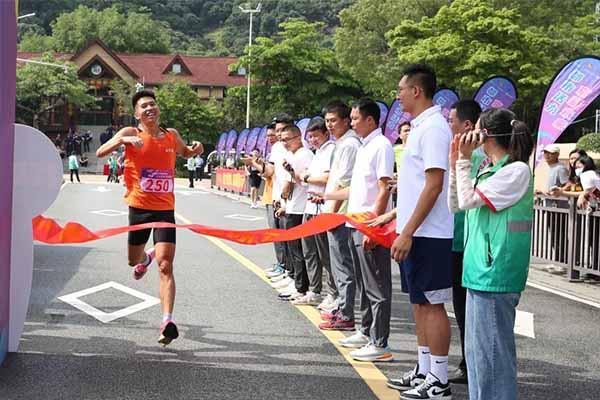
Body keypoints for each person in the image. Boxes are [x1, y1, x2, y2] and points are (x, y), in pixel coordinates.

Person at [96, 89, 203, 346]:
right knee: (133, 259)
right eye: (143, 106)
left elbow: (185, 152)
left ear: (158, 109)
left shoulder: (170, 135)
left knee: (166, 266)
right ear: (137, 114)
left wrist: (195, 149)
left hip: (165, 209)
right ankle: (146, 257)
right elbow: (101, 152)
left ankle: (167, 321)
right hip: (139, 208)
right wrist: (123, 142)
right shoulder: (130, 133)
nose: (149, 109)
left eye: (152, 104)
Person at [448, 108, 534, 400]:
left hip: (496, 272)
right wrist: (457, 161)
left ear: (485, 134)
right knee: (477, 354)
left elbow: (470, 199)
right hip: (479, 271)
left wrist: (462, 160)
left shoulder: (516, 171)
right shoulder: (487, 168)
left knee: (494, 356)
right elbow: (457, 204)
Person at [389, 64, 454, 399]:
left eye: (401, 89)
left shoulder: (434, 128)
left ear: (416, 90)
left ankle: (439, 380)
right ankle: (425, 370)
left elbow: (434, 185)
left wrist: (408, 231)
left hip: (429, 233)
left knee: (432, 304)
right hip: (415, 231)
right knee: (419, 303)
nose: (397, 95)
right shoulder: (419, 127)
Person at [315, 99, 395, 363]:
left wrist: (374, 226)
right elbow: (356, 190)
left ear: (370, 120)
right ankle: (365, 331)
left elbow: (384, 188)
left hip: (369, 226)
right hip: (354, 222)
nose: (352, 122)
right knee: (364, 282)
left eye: (356, 118)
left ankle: (379, 342)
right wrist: (326, 196)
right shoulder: (365, 146)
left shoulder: (381, 146)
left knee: (377, 286)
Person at [446, 99, 482, 385]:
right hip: (460, 241)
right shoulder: (461, 155)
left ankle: (472, 366)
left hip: (468, 244)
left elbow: (464, 201)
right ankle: (469, 363)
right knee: (463, 310)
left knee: (467, 310)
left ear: (467, 126)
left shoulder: (476, 159)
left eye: (452, 121)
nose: (449, 126)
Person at [317, 100, 362, 325]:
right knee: (337, 264)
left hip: (341, 214)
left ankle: (345, 313)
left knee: (343, 265)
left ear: (346, 121)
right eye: (327, 121)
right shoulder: (341, 144)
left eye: (334, 120)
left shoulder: (349, 145)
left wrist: (331, 215)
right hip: (334, 210)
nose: (330, 125)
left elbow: (344, 181)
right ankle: (341, 307)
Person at [293, 117, 335, 306]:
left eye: (316, 136)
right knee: (309, 251)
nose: (312, 140)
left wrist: (308, 178)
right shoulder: (316, 153)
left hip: (323, 208)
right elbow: (306, 178)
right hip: (310, 206)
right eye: (310, 137)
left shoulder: (331, 150)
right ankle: (315, 290)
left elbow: (328, 177)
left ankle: (333, 293)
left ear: (326, 133)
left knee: (325, 254)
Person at [276, 124, 314, 302]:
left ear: (298, 138)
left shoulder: (303, 155)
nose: (284, 143)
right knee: (293, 250)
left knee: (298, 250)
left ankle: (302, 287)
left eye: (287, 139)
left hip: (300, 207)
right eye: (282, 140)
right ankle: (297, 282)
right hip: (292, 206)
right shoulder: (291, 155)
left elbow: (290, 183)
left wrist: (283, 196)